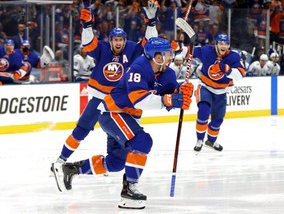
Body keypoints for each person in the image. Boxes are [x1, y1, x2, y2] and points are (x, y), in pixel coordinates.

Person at [52, 37, 193, 209]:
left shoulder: (168, 74)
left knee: (116, 162)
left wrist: (182, 93)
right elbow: (139, 100)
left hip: (127, 118)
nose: (171, 56)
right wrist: (172, 100)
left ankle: (72, 169)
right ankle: (129, 190)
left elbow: (168, 97)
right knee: (142, 141)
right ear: (156, 56)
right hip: (113, 113)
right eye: (166, 53)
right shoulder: (139, 67)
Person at [51, 0, 160, 172]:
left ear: (125, 40)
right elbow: (88, 45)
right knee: (82, 129)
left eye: (121, 40)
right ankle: (60, 160)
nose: (118, 43)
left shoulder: (132, 49)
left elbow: (151, 44)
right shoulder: (102, 48)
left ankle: (106, 164)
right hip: (100, 98)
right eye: (115, 40)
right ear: (110, 41)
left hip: (119, 104)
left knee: (119, 152)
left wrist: (152, 23)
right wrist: (86, 26)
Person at [193, 34, 245, 153]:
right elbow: (191, 52)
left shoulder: (233, 57)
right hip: (205, 86)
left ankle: (211, 141)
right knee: (203, 111)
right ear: (216, 44)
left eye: (225, 44)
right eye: (221, 43)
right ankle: (199, 140)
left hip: (222, 91)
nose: (223, 46)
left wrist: (227, 69)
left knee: (218, 119)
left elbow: (241, 74)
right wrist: (179, 49)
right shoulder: (207, 50)